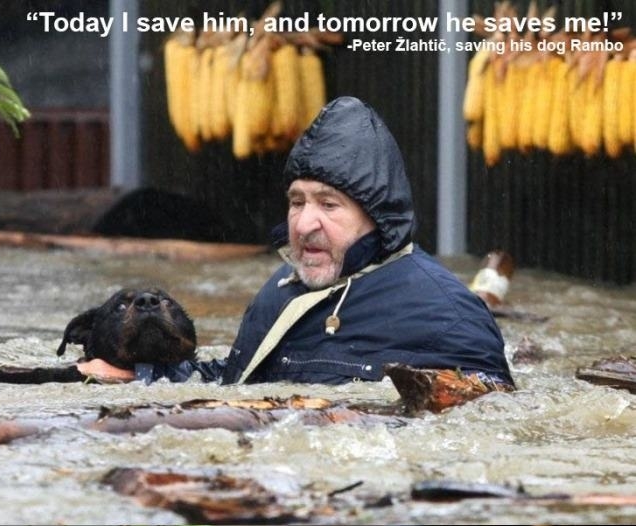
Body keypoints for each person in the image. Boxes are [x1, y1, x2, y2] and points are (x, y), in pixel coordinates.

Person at [78, 101, 512, 396]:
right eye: (297, 201)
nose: (304, 224)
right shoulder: (283, 290)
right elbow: (237, 380)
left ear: (377, 215)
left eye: (328, 204)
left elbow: (492, 424)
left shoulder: (448, 317)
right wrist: (142, 377)